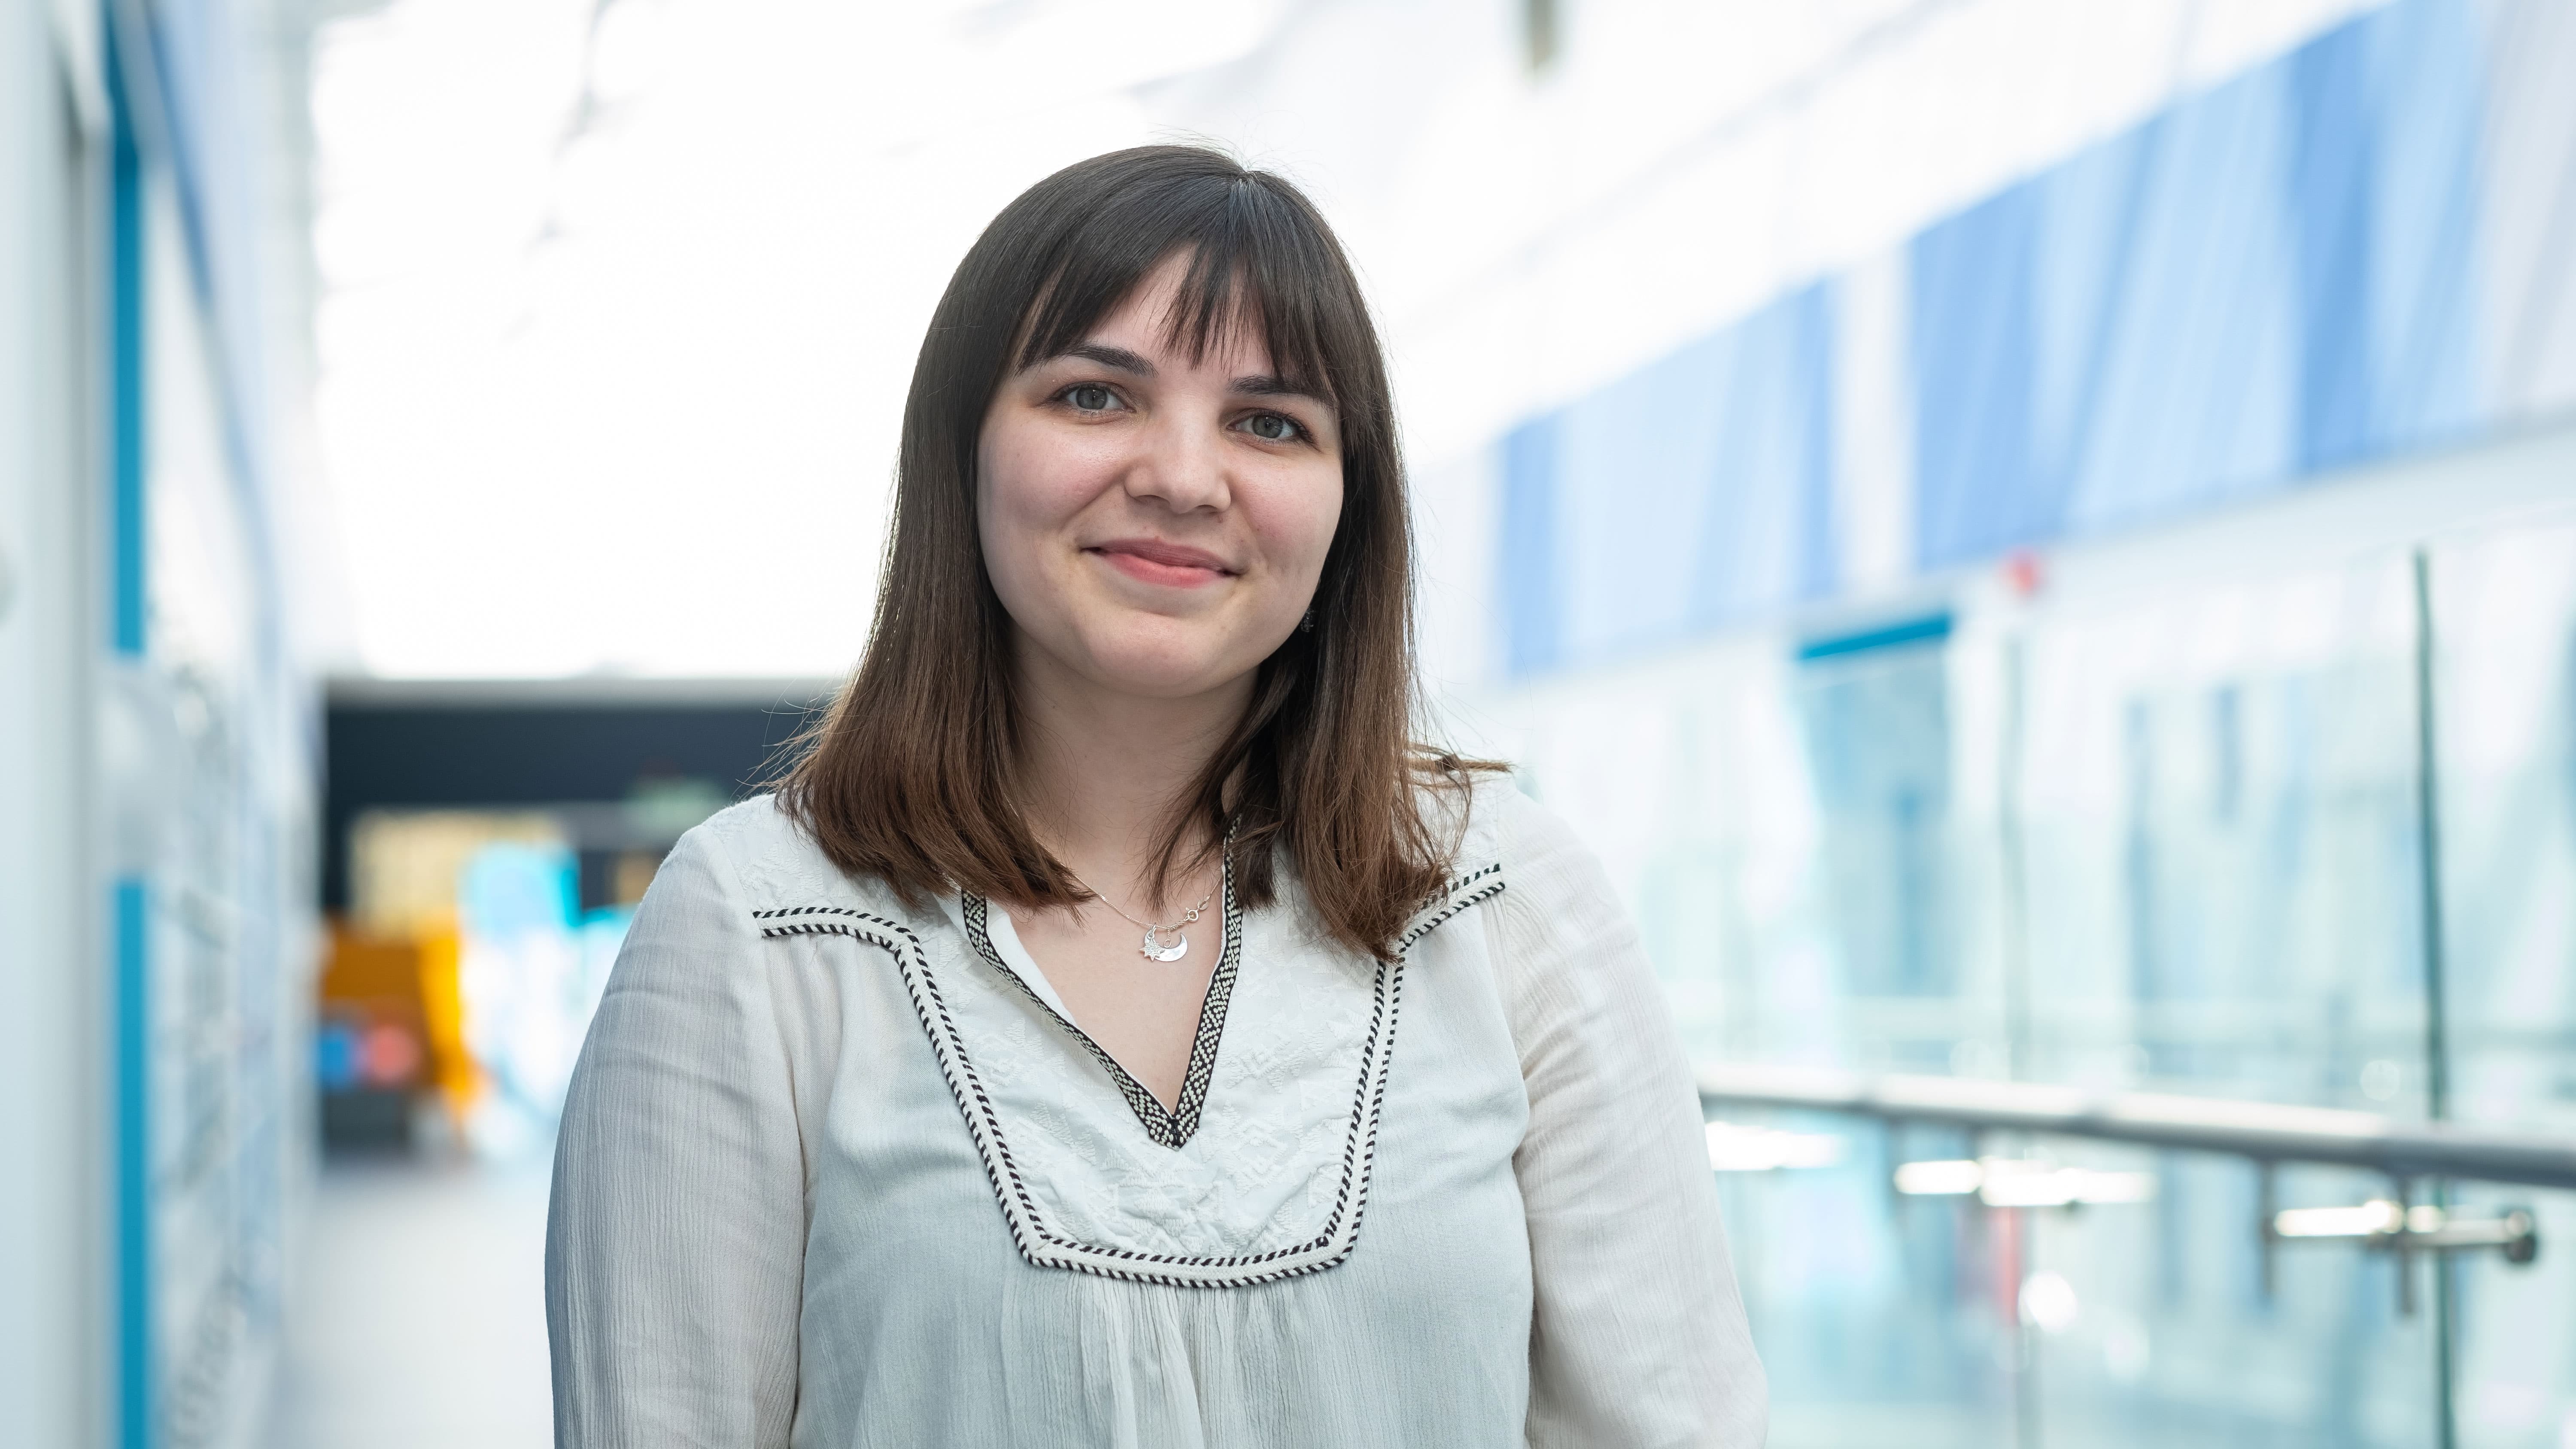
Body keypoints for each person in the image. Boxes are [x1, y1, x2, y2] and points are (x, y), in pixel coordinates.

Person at [546, 144, 1765, 1448]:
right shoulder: (757, 927)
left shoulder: (1507, 903)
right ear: (962, 454)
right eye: (1095, 396)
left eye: (1270, 422)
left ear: (1350, 507)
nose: (1187, 477)